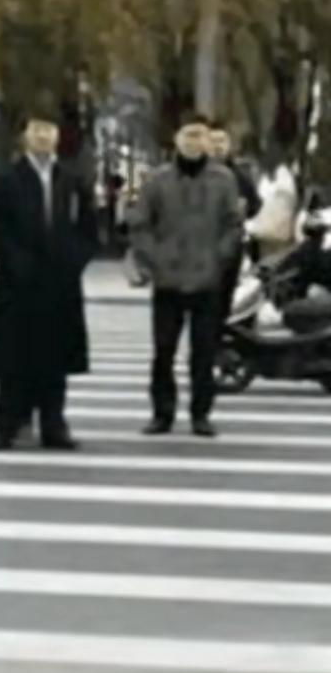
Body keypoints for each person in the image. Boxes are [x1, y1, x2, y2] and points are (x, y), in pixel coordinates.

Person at [0, 109, 98, 450]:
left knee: (55, 359)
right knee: (14, 359)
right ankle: (6, 426)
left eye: (49, 130)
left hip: (60, 283)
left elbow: (89, 229)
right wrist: (14, 260)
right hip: (19, 282)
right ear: (25, 137)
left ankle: (53, 425)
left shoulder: (71, 181)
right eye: (37, 130)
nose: (44, 136)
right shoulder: (6, 180)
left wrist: (75, 259)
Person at [129, 113, 243, 439]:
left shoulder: (223, 180)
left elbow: (233, 225)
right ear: (177, 140)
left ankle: (201, 413)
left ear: (208, 140)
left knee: (204, 351)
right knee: (163, 350)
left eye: (200, 135)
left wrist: (219, 257)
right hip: (168, 279)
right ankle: (162, 413)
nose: (194, 141)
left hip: (207, 278)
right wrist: (153, 258)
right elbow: (140, 224)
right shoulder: (157, 180)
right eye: (188, 135)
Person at [208, 121, 260, 335]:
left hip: (231, 249)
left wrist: (243, 214)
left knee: (225, 300)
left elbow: (255, 205)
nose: (218, 146)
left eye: (222, 141)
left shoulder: (240, 177)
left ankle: (220, 340)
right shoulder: (198, 174)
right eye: (214, 141)